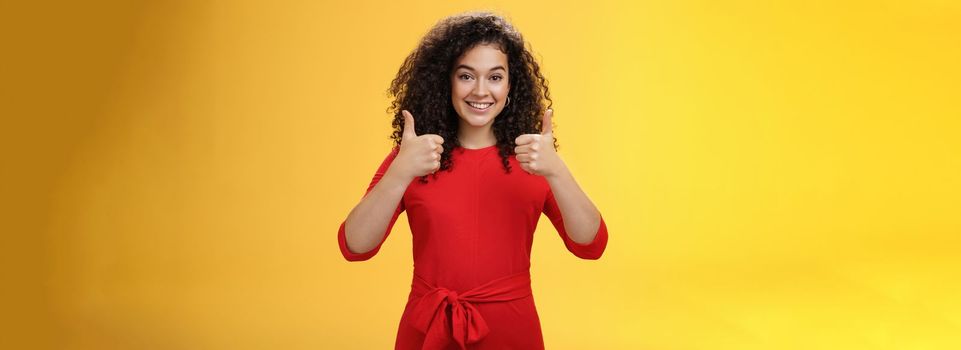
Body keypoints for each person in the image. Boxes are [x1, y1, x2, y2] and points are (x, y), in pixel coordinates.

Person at [337, 11, 609, 350]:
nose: (481, 91)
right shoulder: (413, 156)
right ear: (446, 81)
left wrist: (557, 170)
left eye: (495, 77)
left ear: (511, 85)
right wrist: (400, 172)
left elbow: (590, 245)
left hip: (512, 332)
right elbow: (354, 246)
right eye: (466, 76)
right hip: (429, 329)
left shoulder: (535, 158)